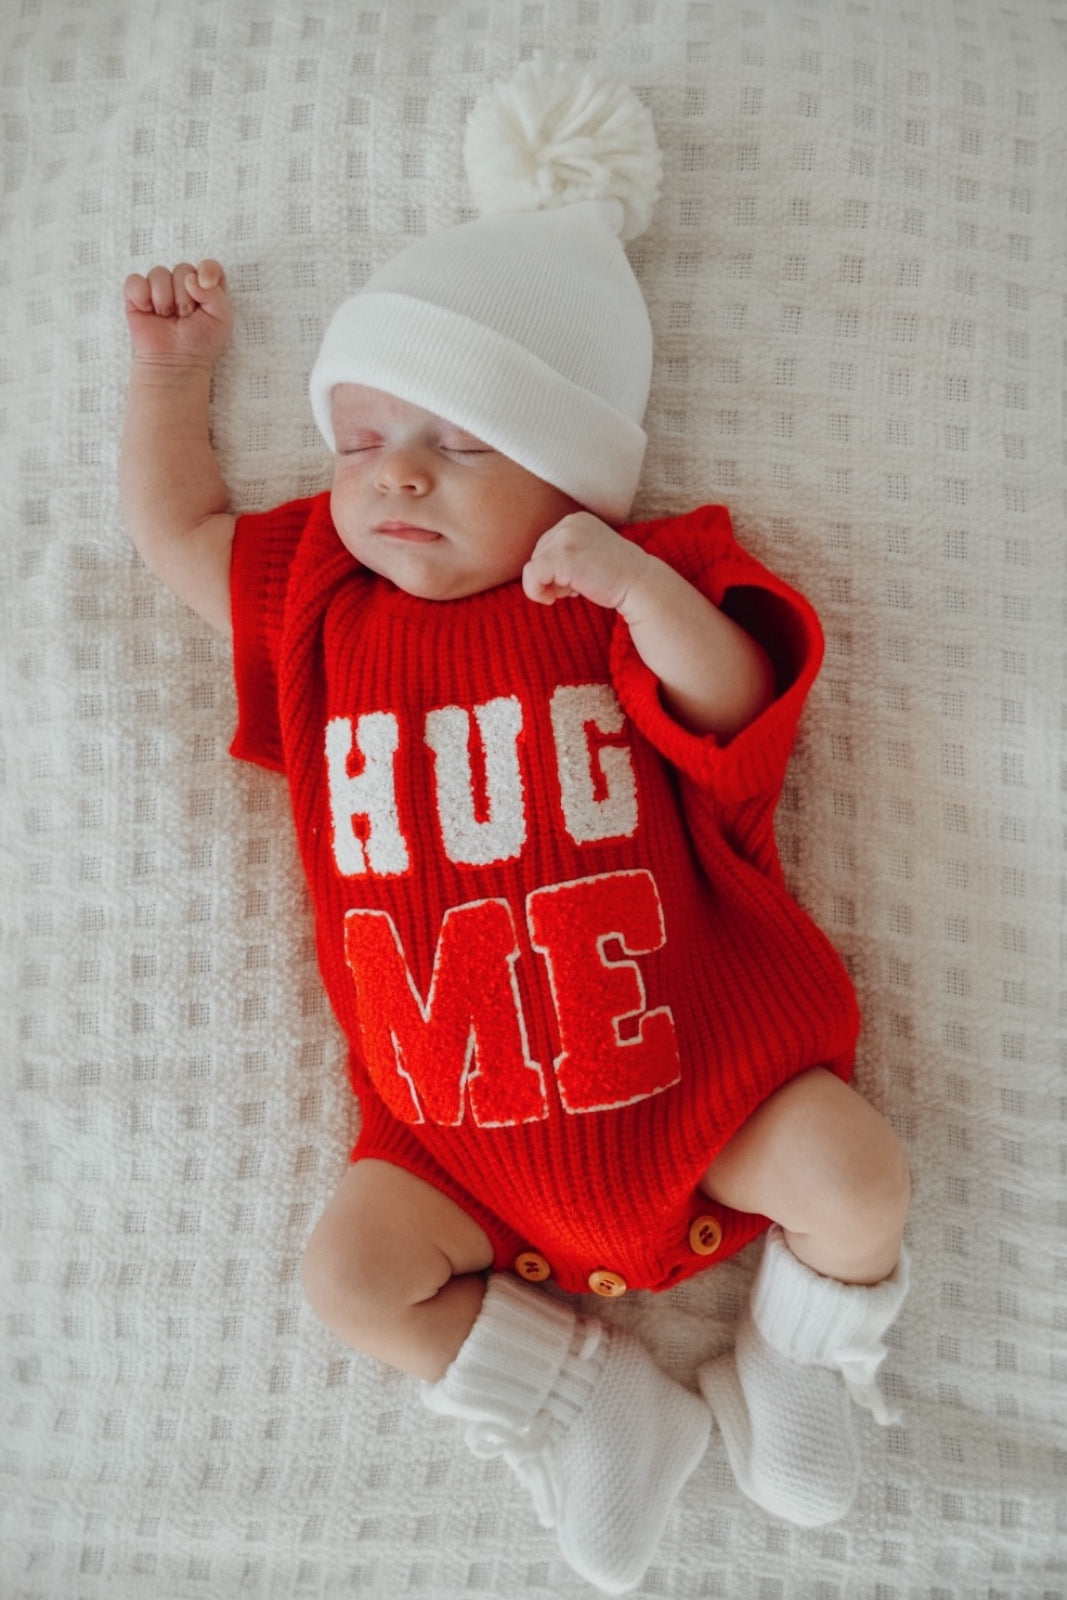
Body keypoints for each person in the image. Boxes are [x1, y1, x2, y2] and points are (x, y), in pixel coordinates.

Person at [120, 58, 910, 1597]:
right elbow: (180, 533)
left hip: (711, 1085)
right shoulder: (317, 614)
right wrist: (170, 383)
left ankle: (801, 1364)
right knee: (350, 1278)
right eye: (361, 438)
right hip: (450, 1142)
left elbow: (741, 702)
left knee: (859, 1177)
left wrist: (636, 591)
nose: (397, 473)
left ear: (577, 478)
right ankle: (586, 1400)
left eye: (463, 442)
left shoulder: (620, 587)